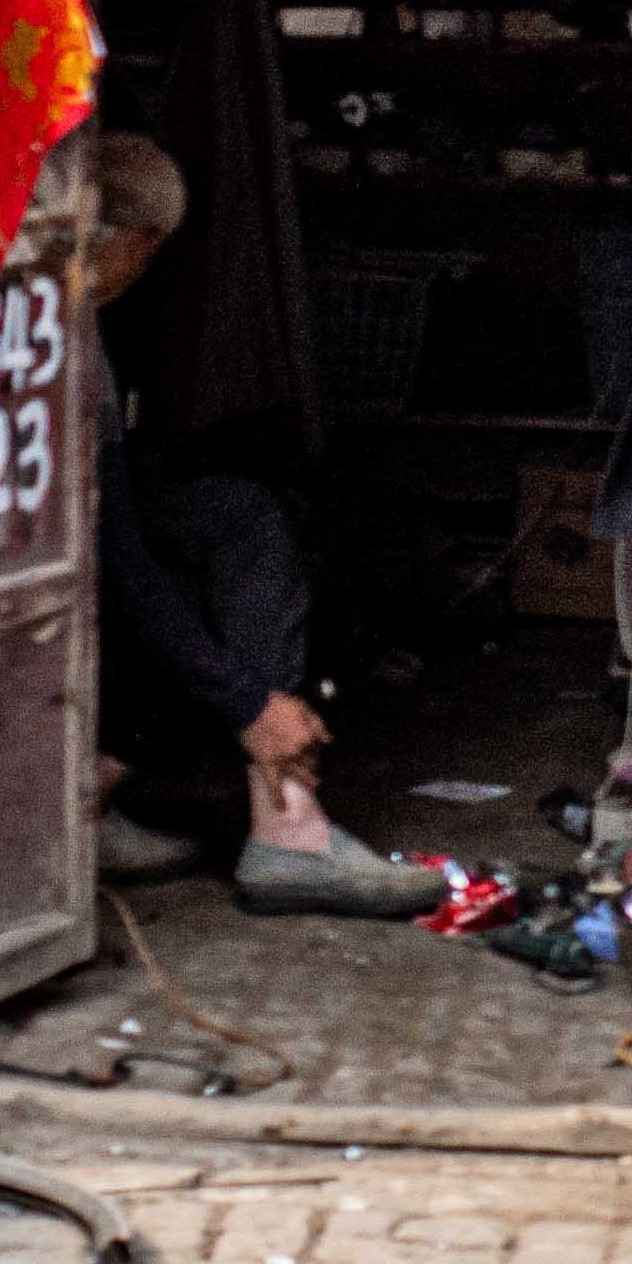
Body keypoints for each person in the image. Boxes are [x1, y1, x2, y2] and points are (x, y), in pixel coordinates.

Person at [77, 135, 441, 920]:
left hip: (115, 505)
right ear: (140, 244)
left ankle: (144, 795)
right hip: (60, 538)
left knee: (244, 520)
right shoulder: (68, 344)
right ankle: (283, 826)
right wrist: (252, 704)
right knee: (178, 585)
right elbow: (119, 566)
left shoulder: (80, 317)